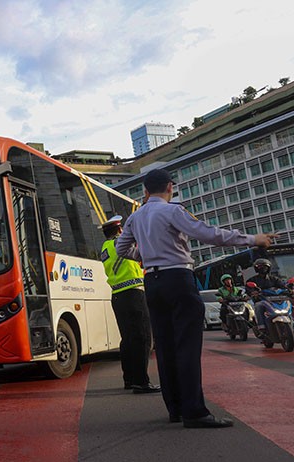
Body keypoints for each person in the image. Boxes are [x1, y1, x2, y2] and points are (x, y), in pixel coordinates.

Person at [116, 168, 277, 429]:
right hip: (178, 278)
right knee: (187, 346)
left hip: (152, 283)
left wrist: (145, 256)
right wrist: (251, 239)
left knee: (165, 347)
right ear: (170, 187)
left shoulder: (135, 218)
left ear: (145, 191)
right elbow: (207, 234)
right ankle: (195, 412)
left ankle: (175, 409)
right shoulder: (173, 211)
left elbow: (122, 248)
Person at [99, 215, 159, 394]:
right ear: (119, 230)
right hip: (133, 293)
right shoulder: (120, 243)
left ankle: (130, 379)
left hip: (117, 296)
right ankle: (141, 382)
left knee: (128, 339)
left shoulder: (105, 247)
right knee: (143, 338)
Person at [245, 259, 294, 348]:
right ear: (256, 269)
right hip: (262, 301)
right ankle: (262, 327)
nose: (263, 269)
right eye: (260, 267)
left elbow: (283, 286)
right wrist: (253, 293)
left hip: (277, 300)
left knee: (289, 317)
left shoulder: (274, 278)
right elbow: (249, 290)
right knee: (258, 305)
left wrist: (290, 290)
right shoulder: (252, 280)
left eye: (265, 267)